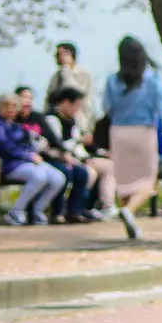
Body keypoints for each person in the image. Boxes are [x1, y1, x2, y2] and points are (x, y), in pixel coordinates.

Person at [103, 36, 162, 240]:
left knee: (125, 181)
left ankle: (129, 218)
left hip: (118, 133)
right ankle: (129, 211)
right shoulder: (152, 78)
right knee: (147, 181)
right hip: (143, 132)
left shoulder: (112, 80)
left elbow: (106, 107)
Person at [0, 92, 68, 226]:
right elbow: (5, 147)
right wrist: (28, 156)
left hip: (27, 162)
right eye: (6, 105)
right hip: (8, 165)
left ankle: (37, 211)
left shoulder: (16, 126)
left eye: (14, 106)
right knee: (39, 176)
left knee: (58, 178)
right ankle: (16, 211)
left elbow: (28, 143)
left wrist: (36, 149)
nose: (10, 109)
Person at [32, 87, 98, 223]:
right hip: (50, 157)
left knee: (82, 173)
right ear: (66, 102)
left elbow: (73, 145)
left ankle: (74, 211)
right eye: (76, 106)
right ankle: (57, 212)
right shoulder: (51, 119)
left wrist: (82, 156)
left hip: (66, 157)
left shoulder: (72, 121)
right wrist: (76, 142)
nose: (77, 110)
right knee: (65, 172)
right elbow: (55, 142)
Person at [46, 42, 92, 112]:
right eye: (57, 55)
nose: (60, 57)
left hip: (79, 116)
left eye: (63, 54)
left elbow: (74, 93)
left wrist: (66, 70)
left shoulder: (83, 74)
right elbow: (48, 99)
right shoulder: (55, 77)